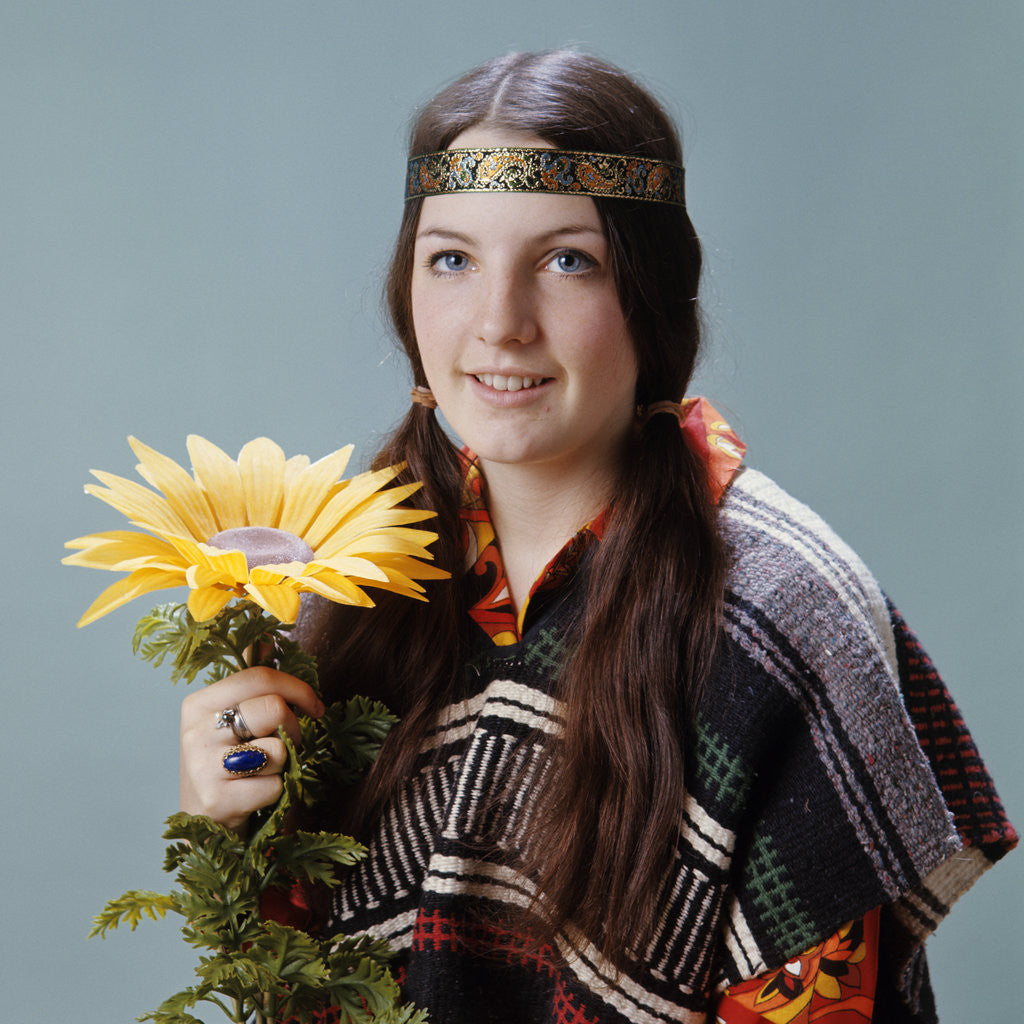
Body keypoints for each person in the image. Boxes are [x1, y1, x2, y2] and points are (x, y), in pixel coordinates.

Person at [179, 50, 1016, 1023]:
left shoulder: (783, 613)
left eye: (565, 260)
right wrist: (233, 829)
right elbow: (300, 980)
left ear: (650, 294)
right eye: (452, 259)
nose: (499, 324)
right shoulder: (351, 580)